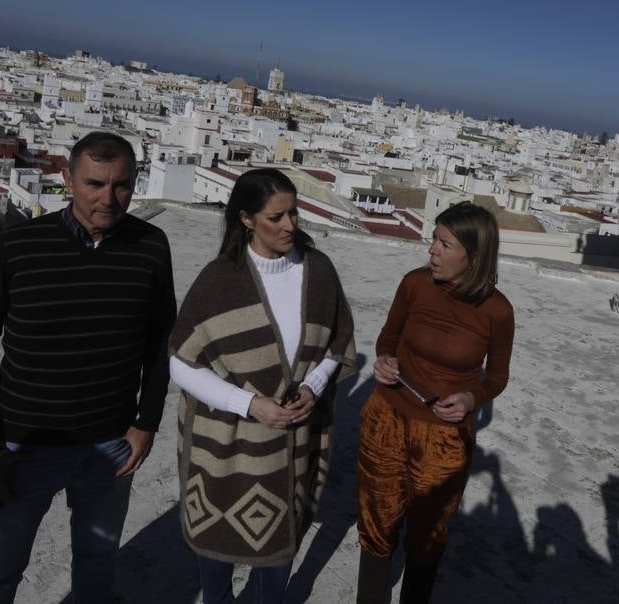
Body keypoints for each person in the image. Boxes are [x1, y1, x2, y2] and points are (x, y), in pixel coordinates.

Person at [0, 131, 176, 603]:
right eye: (94, 183)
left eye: (121, 186)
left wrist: (146, 423)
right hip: (23, 446)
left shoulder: (151, 248)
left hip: (111, 445)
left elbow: (161, 342)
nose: (108, 199)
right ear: (67, 180)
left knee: (96, 568)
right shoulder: (17, 247)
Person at [169, 168, 356, 604]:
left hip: (293, 442)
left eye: (294, 213)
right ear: (247, 219)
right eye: (277, 216)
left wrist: (313, 385)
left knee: (277, 553)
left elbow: (337, 343)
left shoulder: (319, 272)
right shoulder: (219, 280)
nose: (290, 225)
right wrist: (249, 404)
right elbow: (182, 363)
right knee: (216, 553)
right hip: (223, 449)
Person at [356, 200, 515, 604]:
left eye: (444, 244)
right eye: (434, 240)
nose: (432, 251)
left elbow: (496, 377)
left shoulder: (498, 311)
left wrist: (469, 397)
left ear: (473, 256)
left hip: (444, 439)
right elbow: (388, 337)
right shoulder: (414, 283)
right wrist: (385, 359)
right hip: (387, 418)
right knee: (376, 521)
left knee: (428, 534)